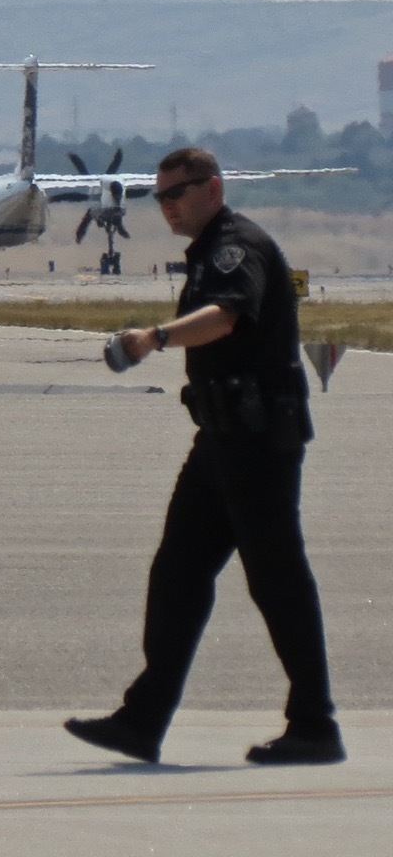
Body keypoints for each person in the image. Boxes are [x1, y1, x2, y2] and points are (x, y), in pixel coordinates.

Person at [65, 147, 344, 766]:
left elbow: (226, 317)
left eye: (177, 194)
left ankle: (315, 725)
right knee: (178, 575)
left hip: (258, 440)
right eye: (159, 197)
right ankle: (143, 720)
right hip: (221, 440)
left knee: (277, 580)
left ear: (212, 189)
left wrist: (156, 336)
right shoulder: (204, 251)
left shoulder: (234, 246)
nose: (166, 206)